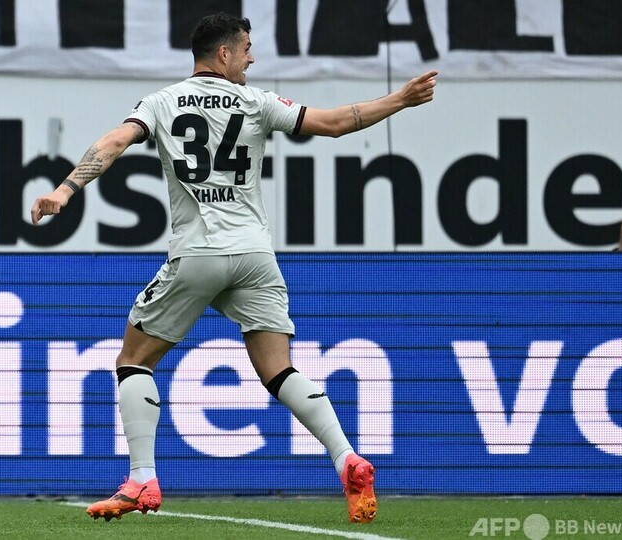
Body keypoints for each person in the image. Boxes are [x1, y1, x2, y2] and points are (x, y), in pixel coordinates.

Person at [31, 12, 437, 524]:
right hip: (254, 257)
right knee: (279, 370)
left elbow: (113, 142)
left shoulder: (161, 102)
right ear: (223, 53)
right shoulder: (257, 102)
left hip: (199, 253)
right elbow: (336, 123)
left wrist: (65, 190)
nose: (252, 58)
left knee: (133, 360)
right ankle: (346, 458)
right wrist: (399, 99)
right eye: (246, 48)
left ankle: (141, 479)